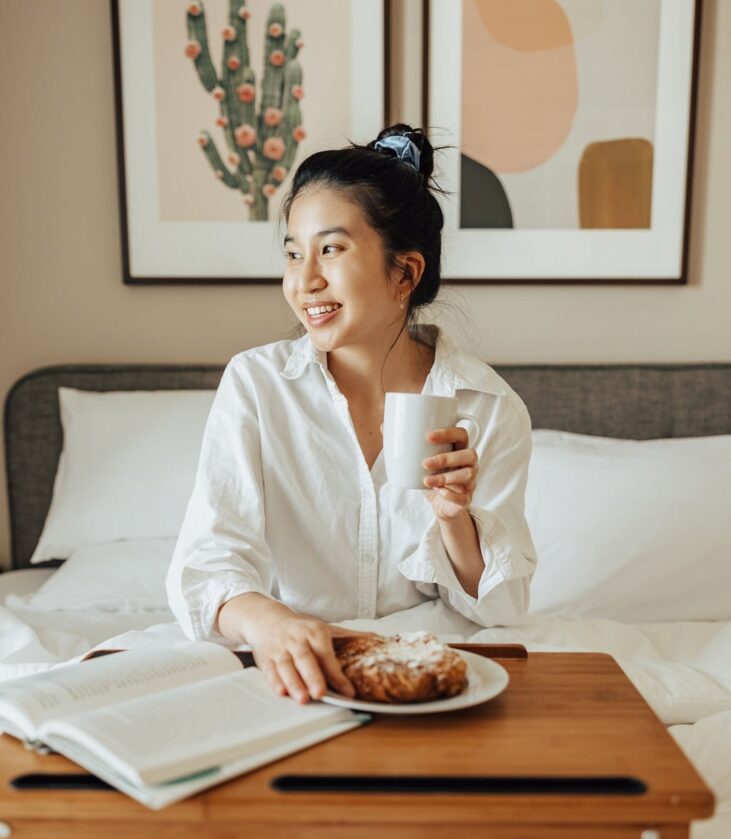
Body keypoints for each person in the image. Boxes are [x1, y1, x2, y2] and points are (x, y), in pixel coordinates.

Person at [166, 124, 536, 704]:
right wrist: (271, 624)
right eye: (293, 253)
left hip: (429, 670)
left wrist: (453, 518)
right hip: (293, 667)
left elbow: (502, 609)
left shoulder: (487, 408)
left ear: (405, 273)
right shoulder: (258, 385)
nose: (304, 280)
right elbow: (207, 566)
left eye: (331, 249)